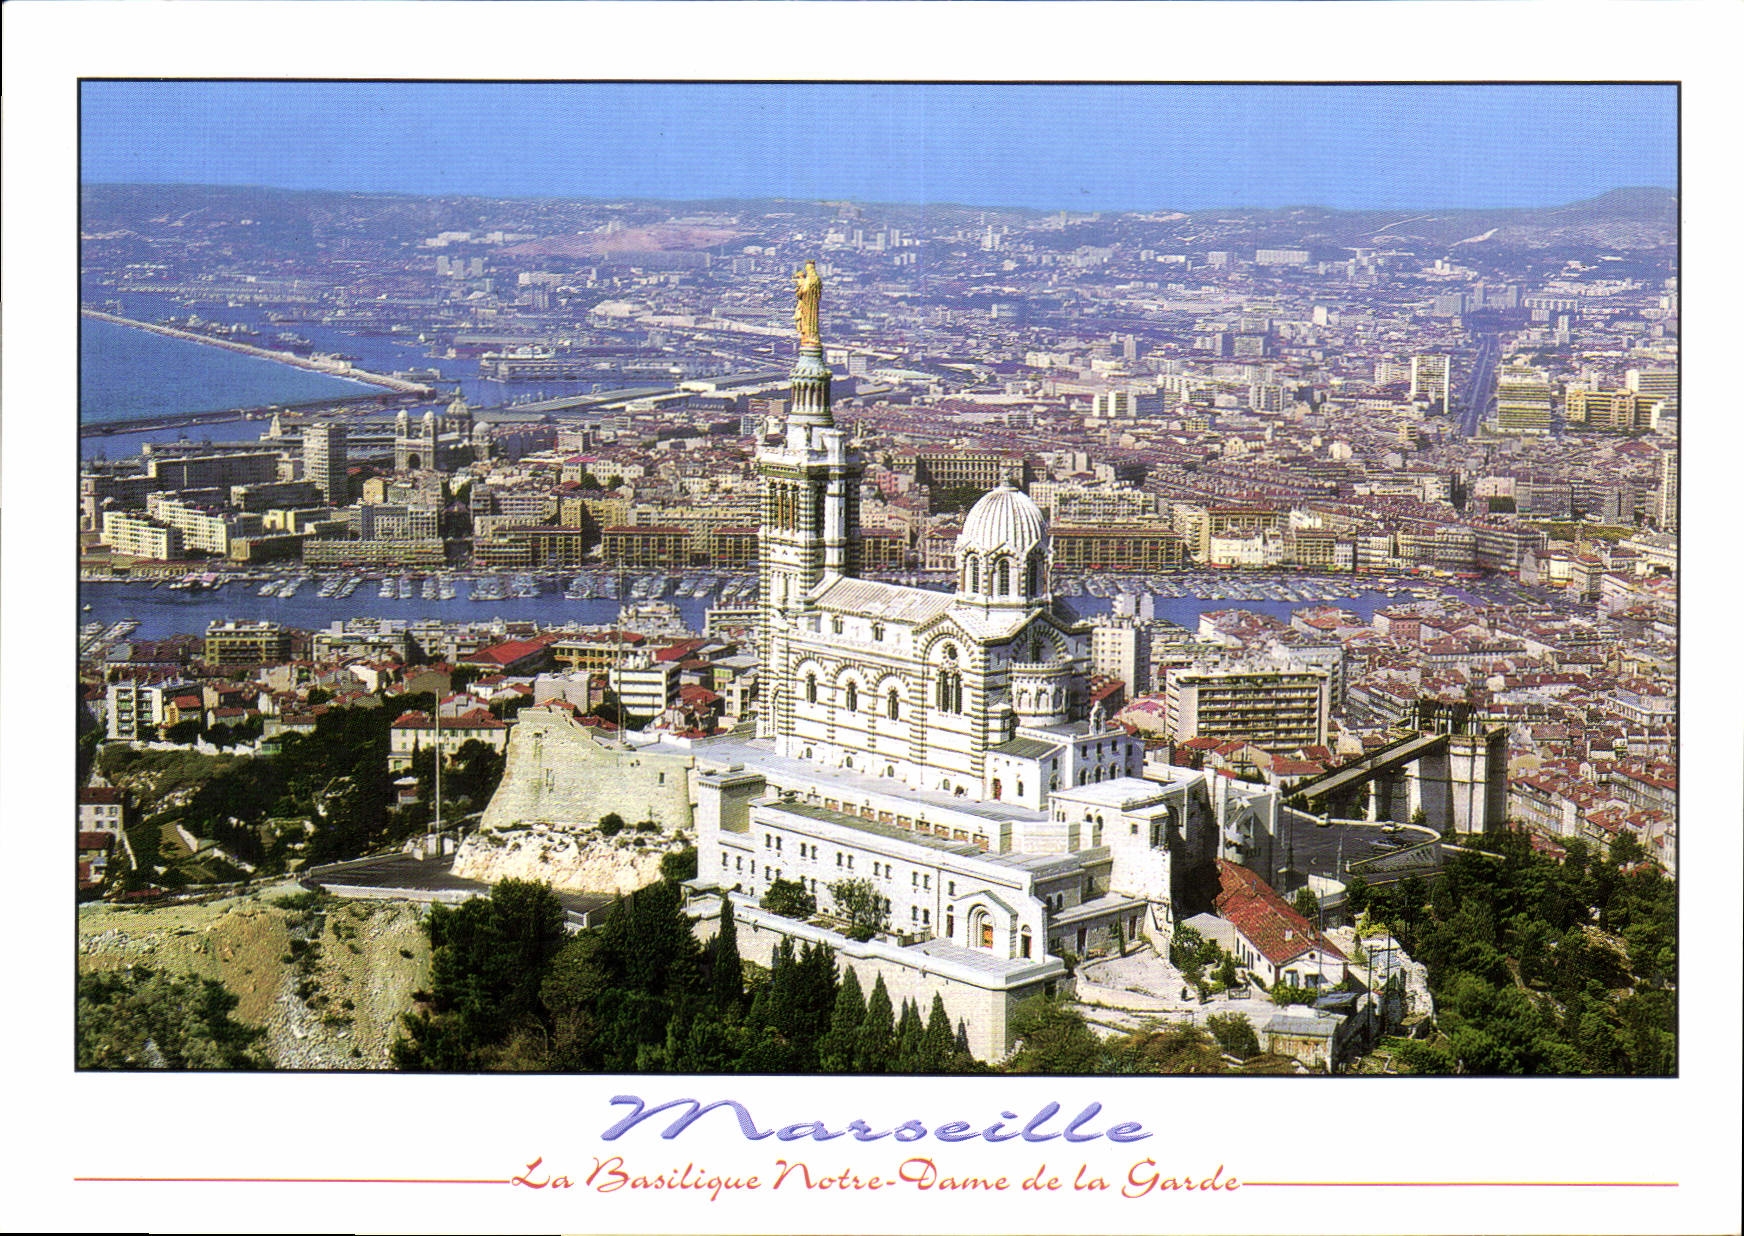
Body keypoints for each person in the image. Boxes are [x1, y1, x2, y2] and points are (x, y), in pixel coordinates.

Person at [792, 260, 822, 343]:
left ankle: (809, 336)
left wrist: (800, 290)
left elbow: (804, 291)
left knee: (807, 320)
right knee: (811, 321)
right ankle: (811, 335)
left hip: (807, 304)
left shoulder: (809, 279)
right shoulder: (817, 279)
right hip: (813, 304)